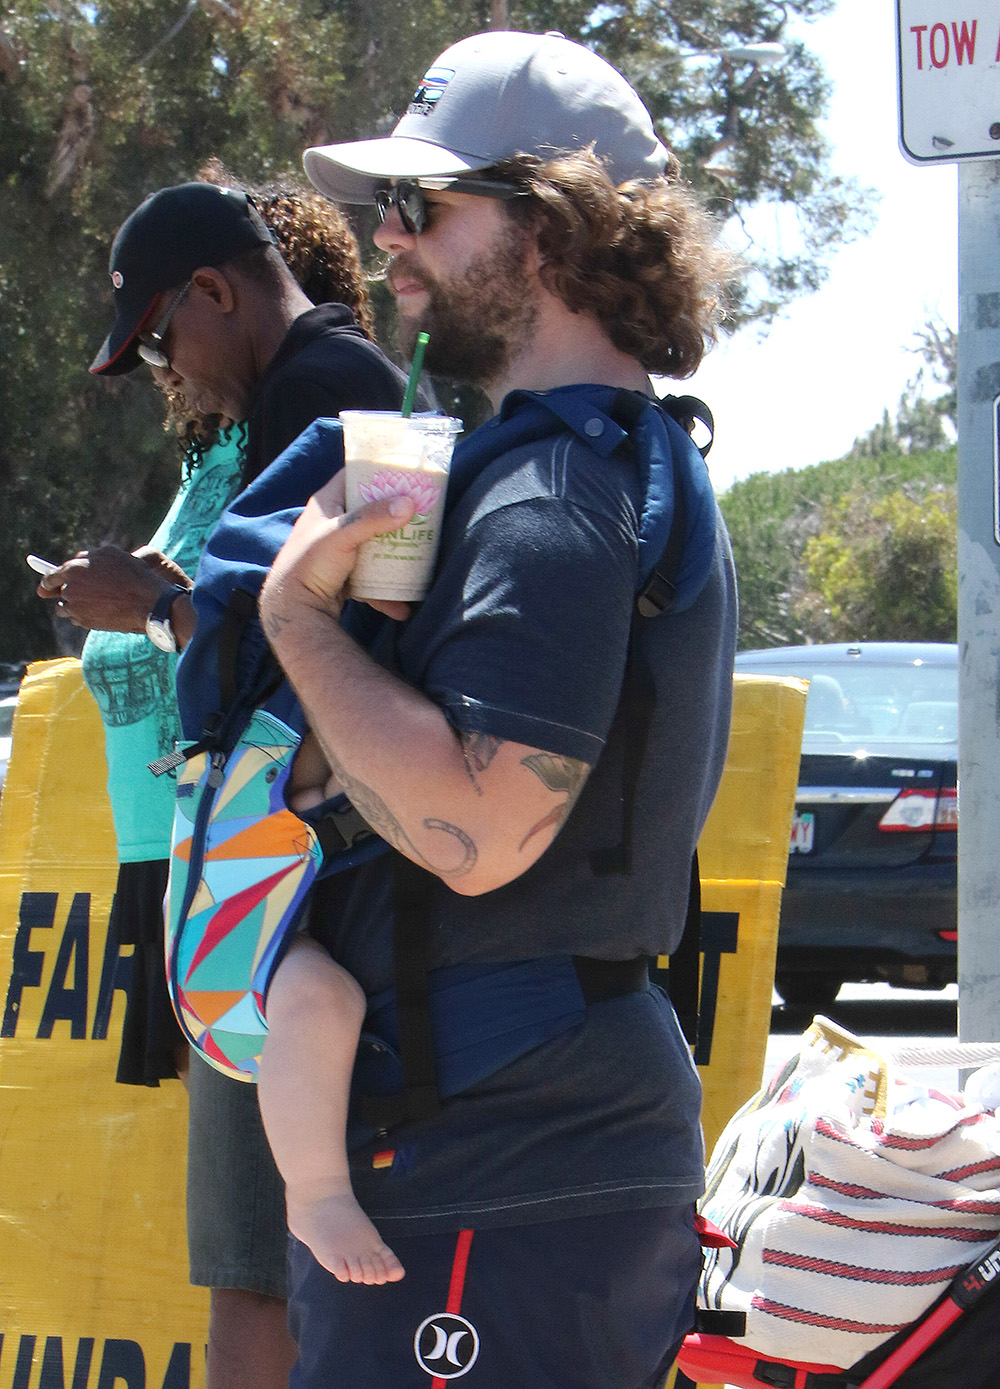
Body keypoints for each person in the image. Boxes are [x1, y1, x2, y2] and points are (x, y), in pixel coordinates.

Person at [253, 29, 739, 1389]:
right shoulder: (597, 458)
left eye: (422, 207)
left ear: (548, 224)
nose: (389, 244)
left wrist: (296, 619)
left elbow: (484, 825)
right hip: (513, 1137)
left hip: (505, 1145)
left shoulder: (553, 485)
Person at [40, 178, 413, 1389]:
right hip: (273, 864)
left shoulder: (324, 387)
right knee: (268, 1262)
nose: (169, 367)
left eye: (162, 335)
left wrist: (148, 605)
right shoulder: (316, 386)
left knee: (259, 1269)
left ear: (215, 288)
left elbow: (294, 630)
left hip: (282, 872)